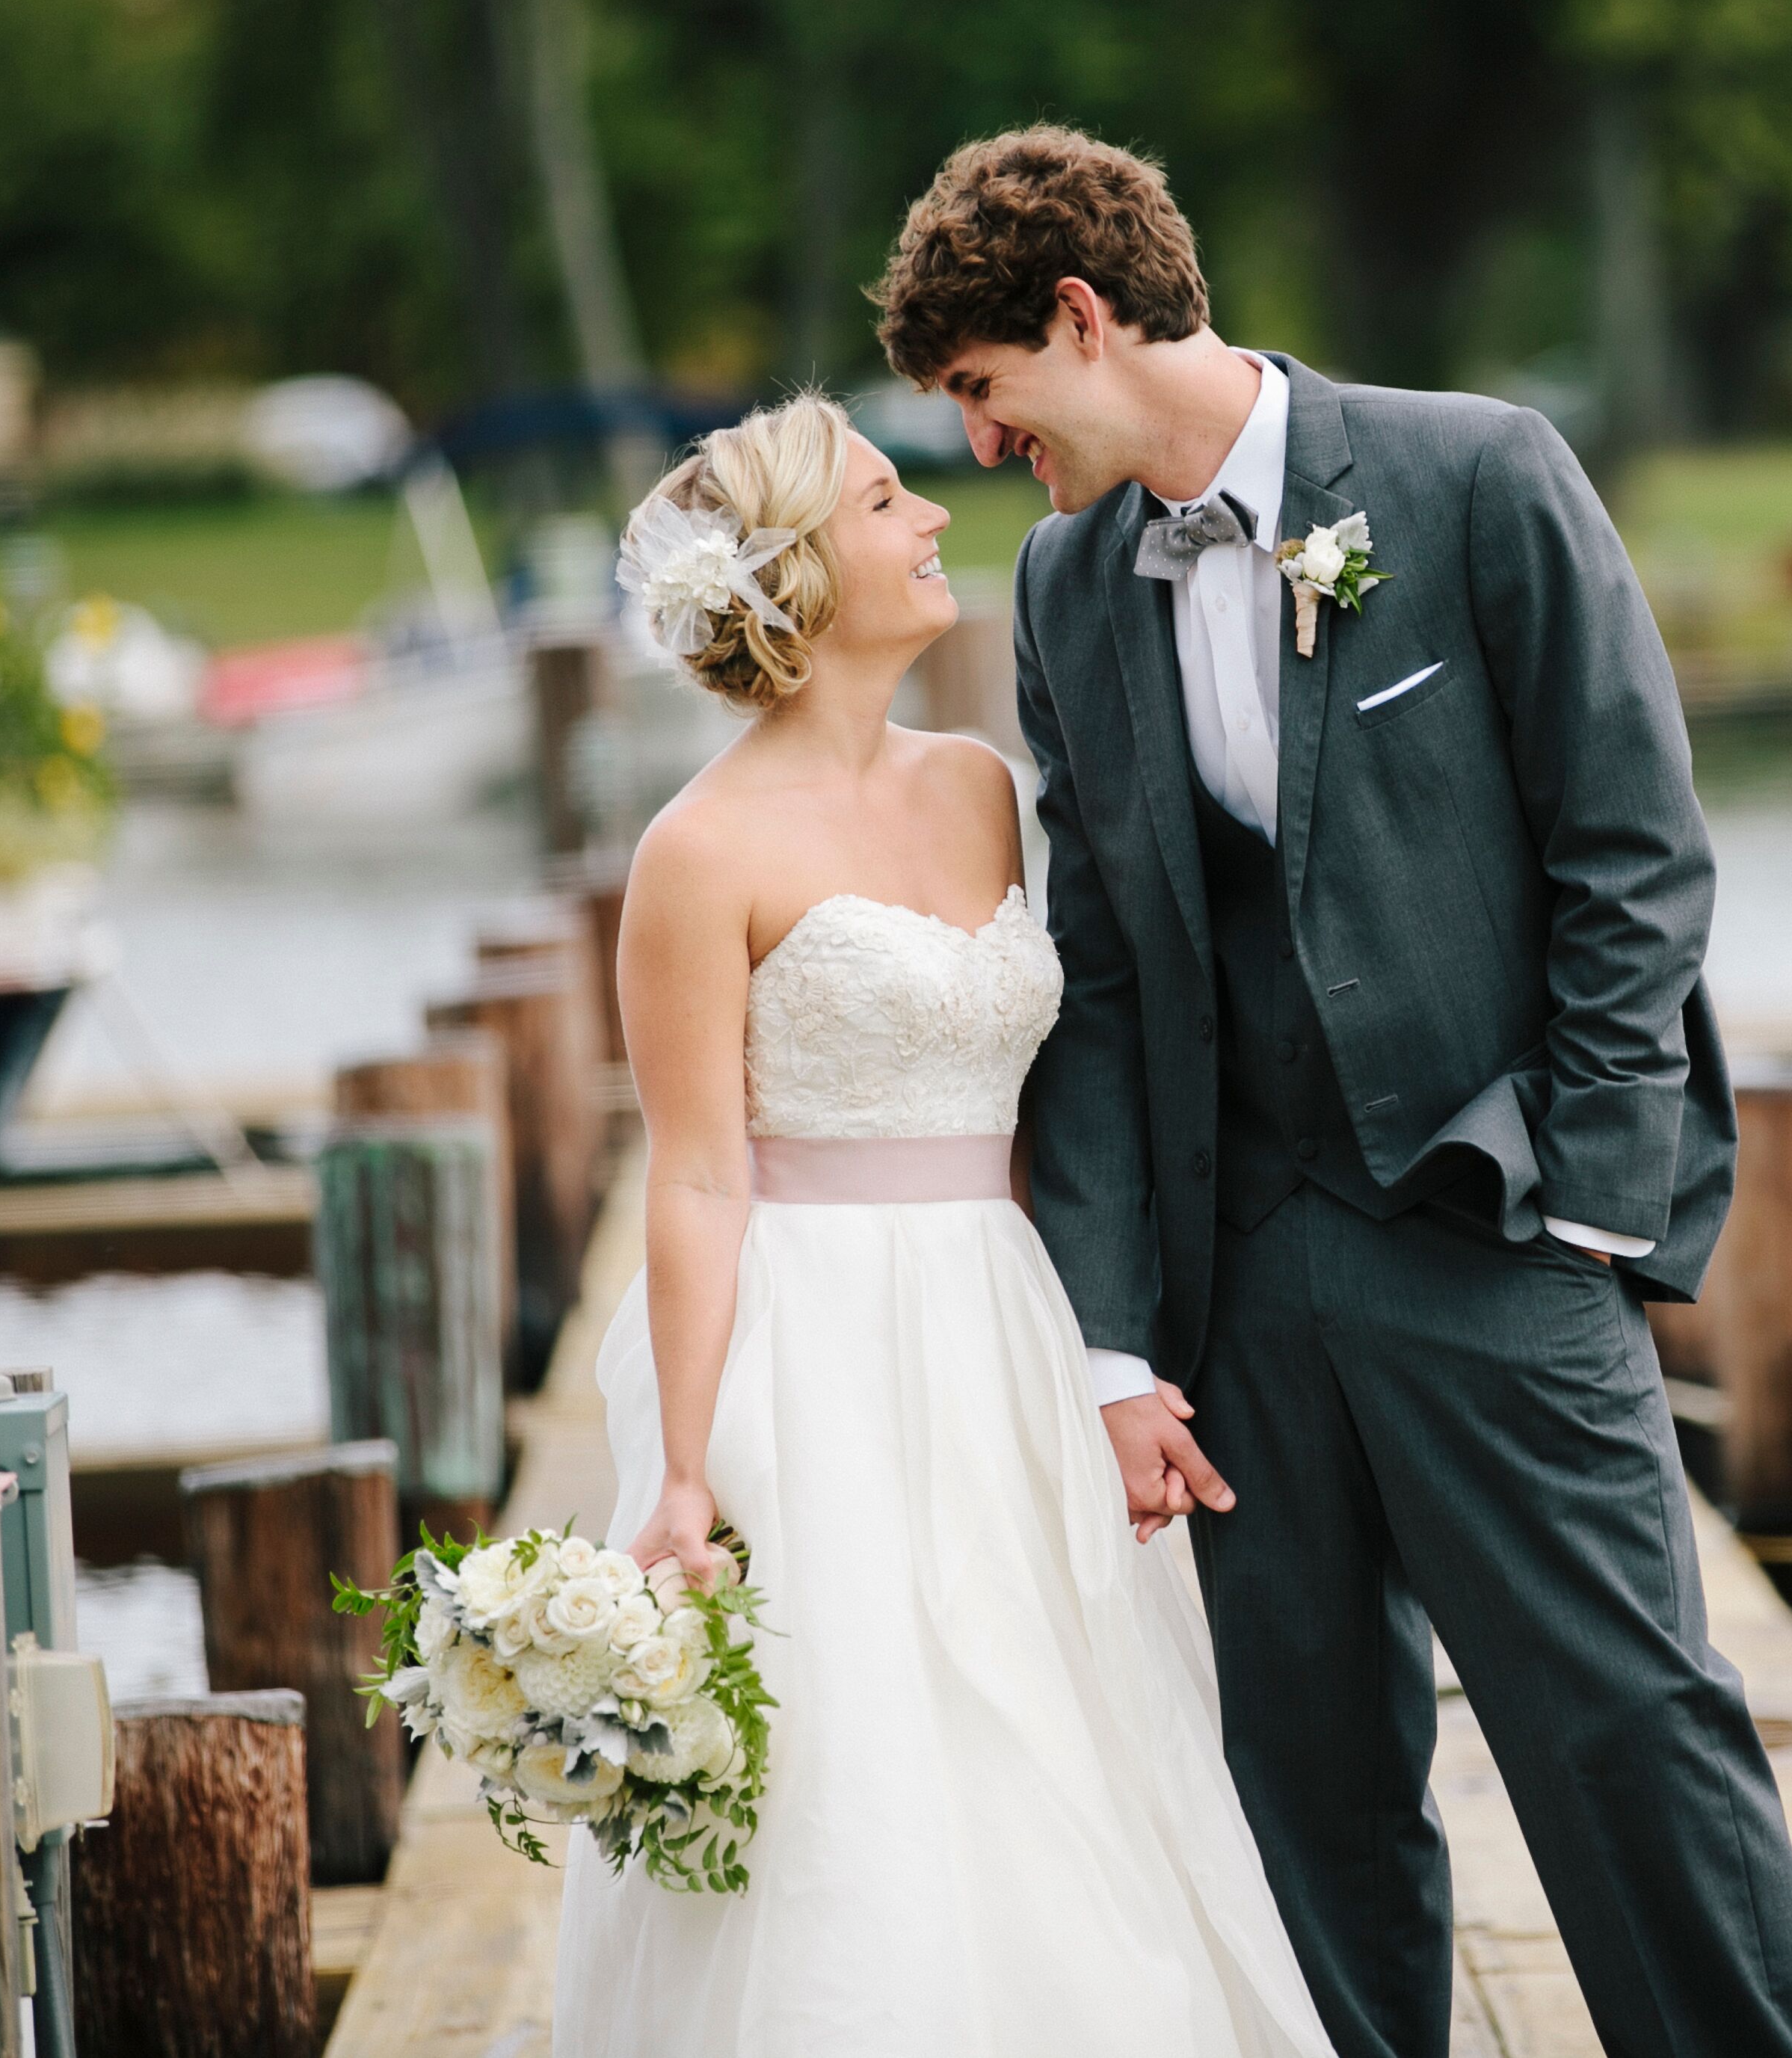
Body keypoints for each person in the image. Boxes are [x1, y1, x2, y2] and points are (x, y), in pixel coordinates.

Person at [875, 126, 1792, 2058]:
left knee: (1629, 1734)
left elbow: (1633, 853)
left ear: (1083, 315)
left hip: (1495, 1234)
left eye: (985, 391)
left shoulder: (1474, 476)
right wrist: (1121, 1340)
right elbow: (1116, 976)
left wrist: (1588, 1203)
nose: (981, 446)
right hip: (1245, 1292)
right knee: (1303, 1799)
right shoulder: (1068, 588)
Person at [553, 391, 1332, 2054]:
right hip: (811, 1344)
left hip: (1004, 1319)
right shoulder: (694, 855)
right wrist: (686, 1472)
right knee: (861, 1770)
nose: (933, 521)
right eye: (886, 499)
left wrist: (1110, 1361)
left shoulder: (984, 787)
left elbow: (1063, 1091)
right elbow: (695, 1175)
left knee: (1056, 1732)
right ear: (799, 574)